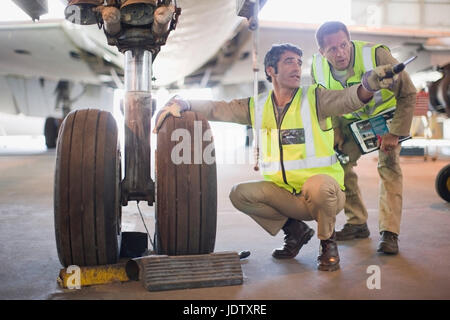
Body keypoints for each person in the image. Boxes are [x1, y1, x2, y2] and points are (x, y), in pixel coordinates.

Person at [154, 43, 396, 271]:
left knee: (319, 186)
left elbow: (348, 99)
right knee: (240, 193)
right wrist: (184, 102)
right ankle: (295, 232)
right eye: (289, 61)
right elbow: (220, 108)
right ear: (271, 70)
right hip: (288, 196)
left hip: (325, 195)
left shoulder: (315, 98)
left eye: (299, 62)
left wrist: (369, 85)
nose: (296, 67)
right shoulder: (258, 107)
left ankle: (327, 243)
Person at [311, 21, 417, 254]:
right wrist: (336, 129)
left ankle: (389, 233)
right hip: (352, 122)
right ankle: (357, 222)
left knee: (388, 166)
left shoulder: (376, 55)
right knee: (338, 163)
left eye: (344, 45)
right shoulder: (317, 67)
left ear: (349, 41)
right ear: (322, 52)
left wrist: (395, 132)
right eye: (332, 49)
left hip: (386, 118)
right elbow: (326, 103)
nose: (340, 53)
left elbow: (409, 93)